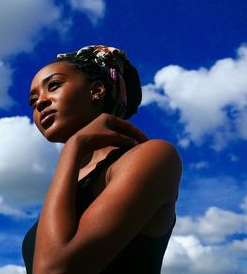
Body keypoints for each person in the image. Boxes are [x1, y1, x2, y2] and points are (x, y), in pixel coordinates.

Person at [22, 45, 182, 274]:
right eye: (33, 100)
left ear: (96, 90)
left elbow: (53, 270)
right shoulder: (71, 181)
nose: (40, 102)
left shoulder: (152, 155)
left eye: (54, 85)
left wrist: (73, 146)